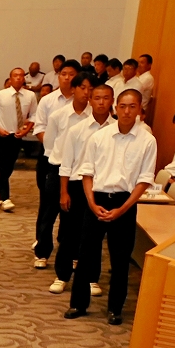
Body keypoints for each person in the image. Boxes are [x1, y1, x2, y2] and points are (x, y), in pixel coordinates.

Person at [64, 89, 155, 325]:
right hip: (96, 201)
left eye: (132, 106)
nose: (126, 111)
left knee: (120, 260)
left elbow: (144, 179)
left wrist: (123, 209)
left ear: (139, 109)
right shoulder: (99, 137)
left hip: (125, 203)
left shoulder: (147, 140)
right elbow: (86, 172)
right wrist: (92, 204)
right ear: (116, 107)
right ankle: (78, 304)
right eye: (122, 106)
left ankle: (115, 308)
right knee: (85, 256)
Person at [51, 81, 114, 297]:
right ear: (90, 100)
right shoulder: (77, 130)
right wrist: (64, 191)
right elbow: (66, 164)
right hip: (77, 186)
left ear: (112, 101)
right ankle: (62, 276)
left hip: (102, 187)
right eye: (97, 98)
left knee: (94, 238)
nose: (101, 102)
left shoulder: (117, 131)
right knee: (69, 234)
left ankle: (91, 278)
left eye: (106, 98)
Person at [32, 60, 79, 265]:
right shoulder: (49, 101)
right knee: (48, 206)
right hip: (51, 159)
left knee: (72, 208)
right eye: (63, 74)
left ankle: (67, 246)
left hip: (77, 164)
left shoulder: (84, 103)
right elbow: (39, 128)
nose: (67, 78)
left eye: (71, 74)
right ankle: (42, 249)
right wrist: (56, 148)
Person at [0, 67, 37, 212]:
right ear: (10, 78)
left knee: (8, 168)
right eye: (16, 76)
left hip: (17, 135)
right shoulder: (1, 95)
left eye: (21, 76)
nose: (19, 78)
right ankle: (5, 198)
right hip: (2, 135)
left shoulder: (30, 96)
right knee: (4, 165)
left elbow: (34, 115)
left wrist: (26, 130)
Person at [135, 54, 156, 121]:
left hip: (139, 112)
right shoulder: (139, 77)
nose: (138, 65)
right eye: (138, 62)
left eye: (142, 62)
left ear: (149, 65)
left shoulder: (148, 78)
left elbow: (134, 90)